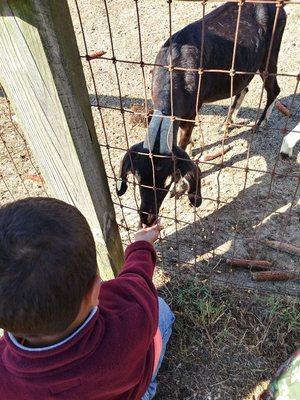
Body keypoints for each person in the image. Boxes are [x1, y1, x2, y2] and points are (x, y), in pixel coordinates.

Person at [0, 197, 174, 399]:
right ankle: (146, 390)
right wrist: (142, 246)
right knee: (161, 309)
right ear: (95, 291)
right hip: (131, 389)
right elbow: (137, 279)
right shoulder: (129, 313)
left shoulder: (4, 375)